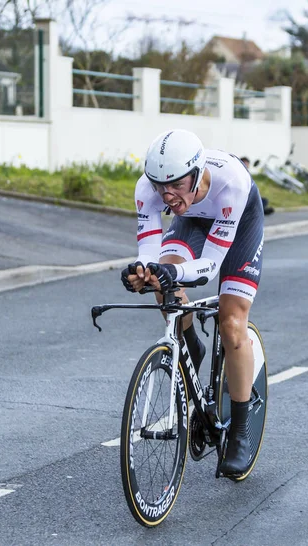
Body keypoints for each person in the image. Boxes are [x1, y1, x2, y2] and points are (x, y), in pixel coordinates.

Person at [121, 129, 264, 476]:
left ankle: (240, 434)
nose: (167, 195)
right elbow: (150, 253)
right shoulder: (152, 190)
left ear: (198, 173)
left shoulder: (229, 184)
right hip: (193, 221)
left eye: (176, 186)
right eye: (160, 186)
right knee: (161, 278)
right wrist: (142, 271)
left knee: (231, 324)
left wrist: (174, 273)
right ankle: (190, 345)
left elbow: (210, 267)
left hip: (239, 220)